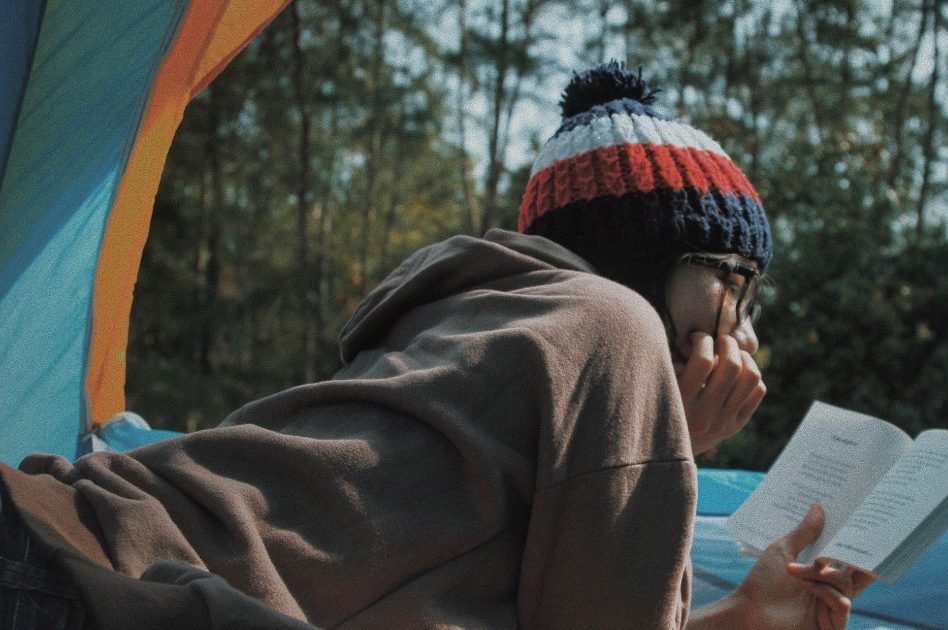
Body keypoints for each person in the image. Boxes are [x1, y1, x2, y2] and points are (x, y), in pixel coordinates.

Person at [0, 62, 871, 629]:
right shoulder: (615, 325)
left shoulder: (485, 327)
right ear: (649, 263)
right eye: (733, 282)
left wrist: (746, 612)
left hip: (57, 547)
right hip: (78, 585)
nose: (746, 331)